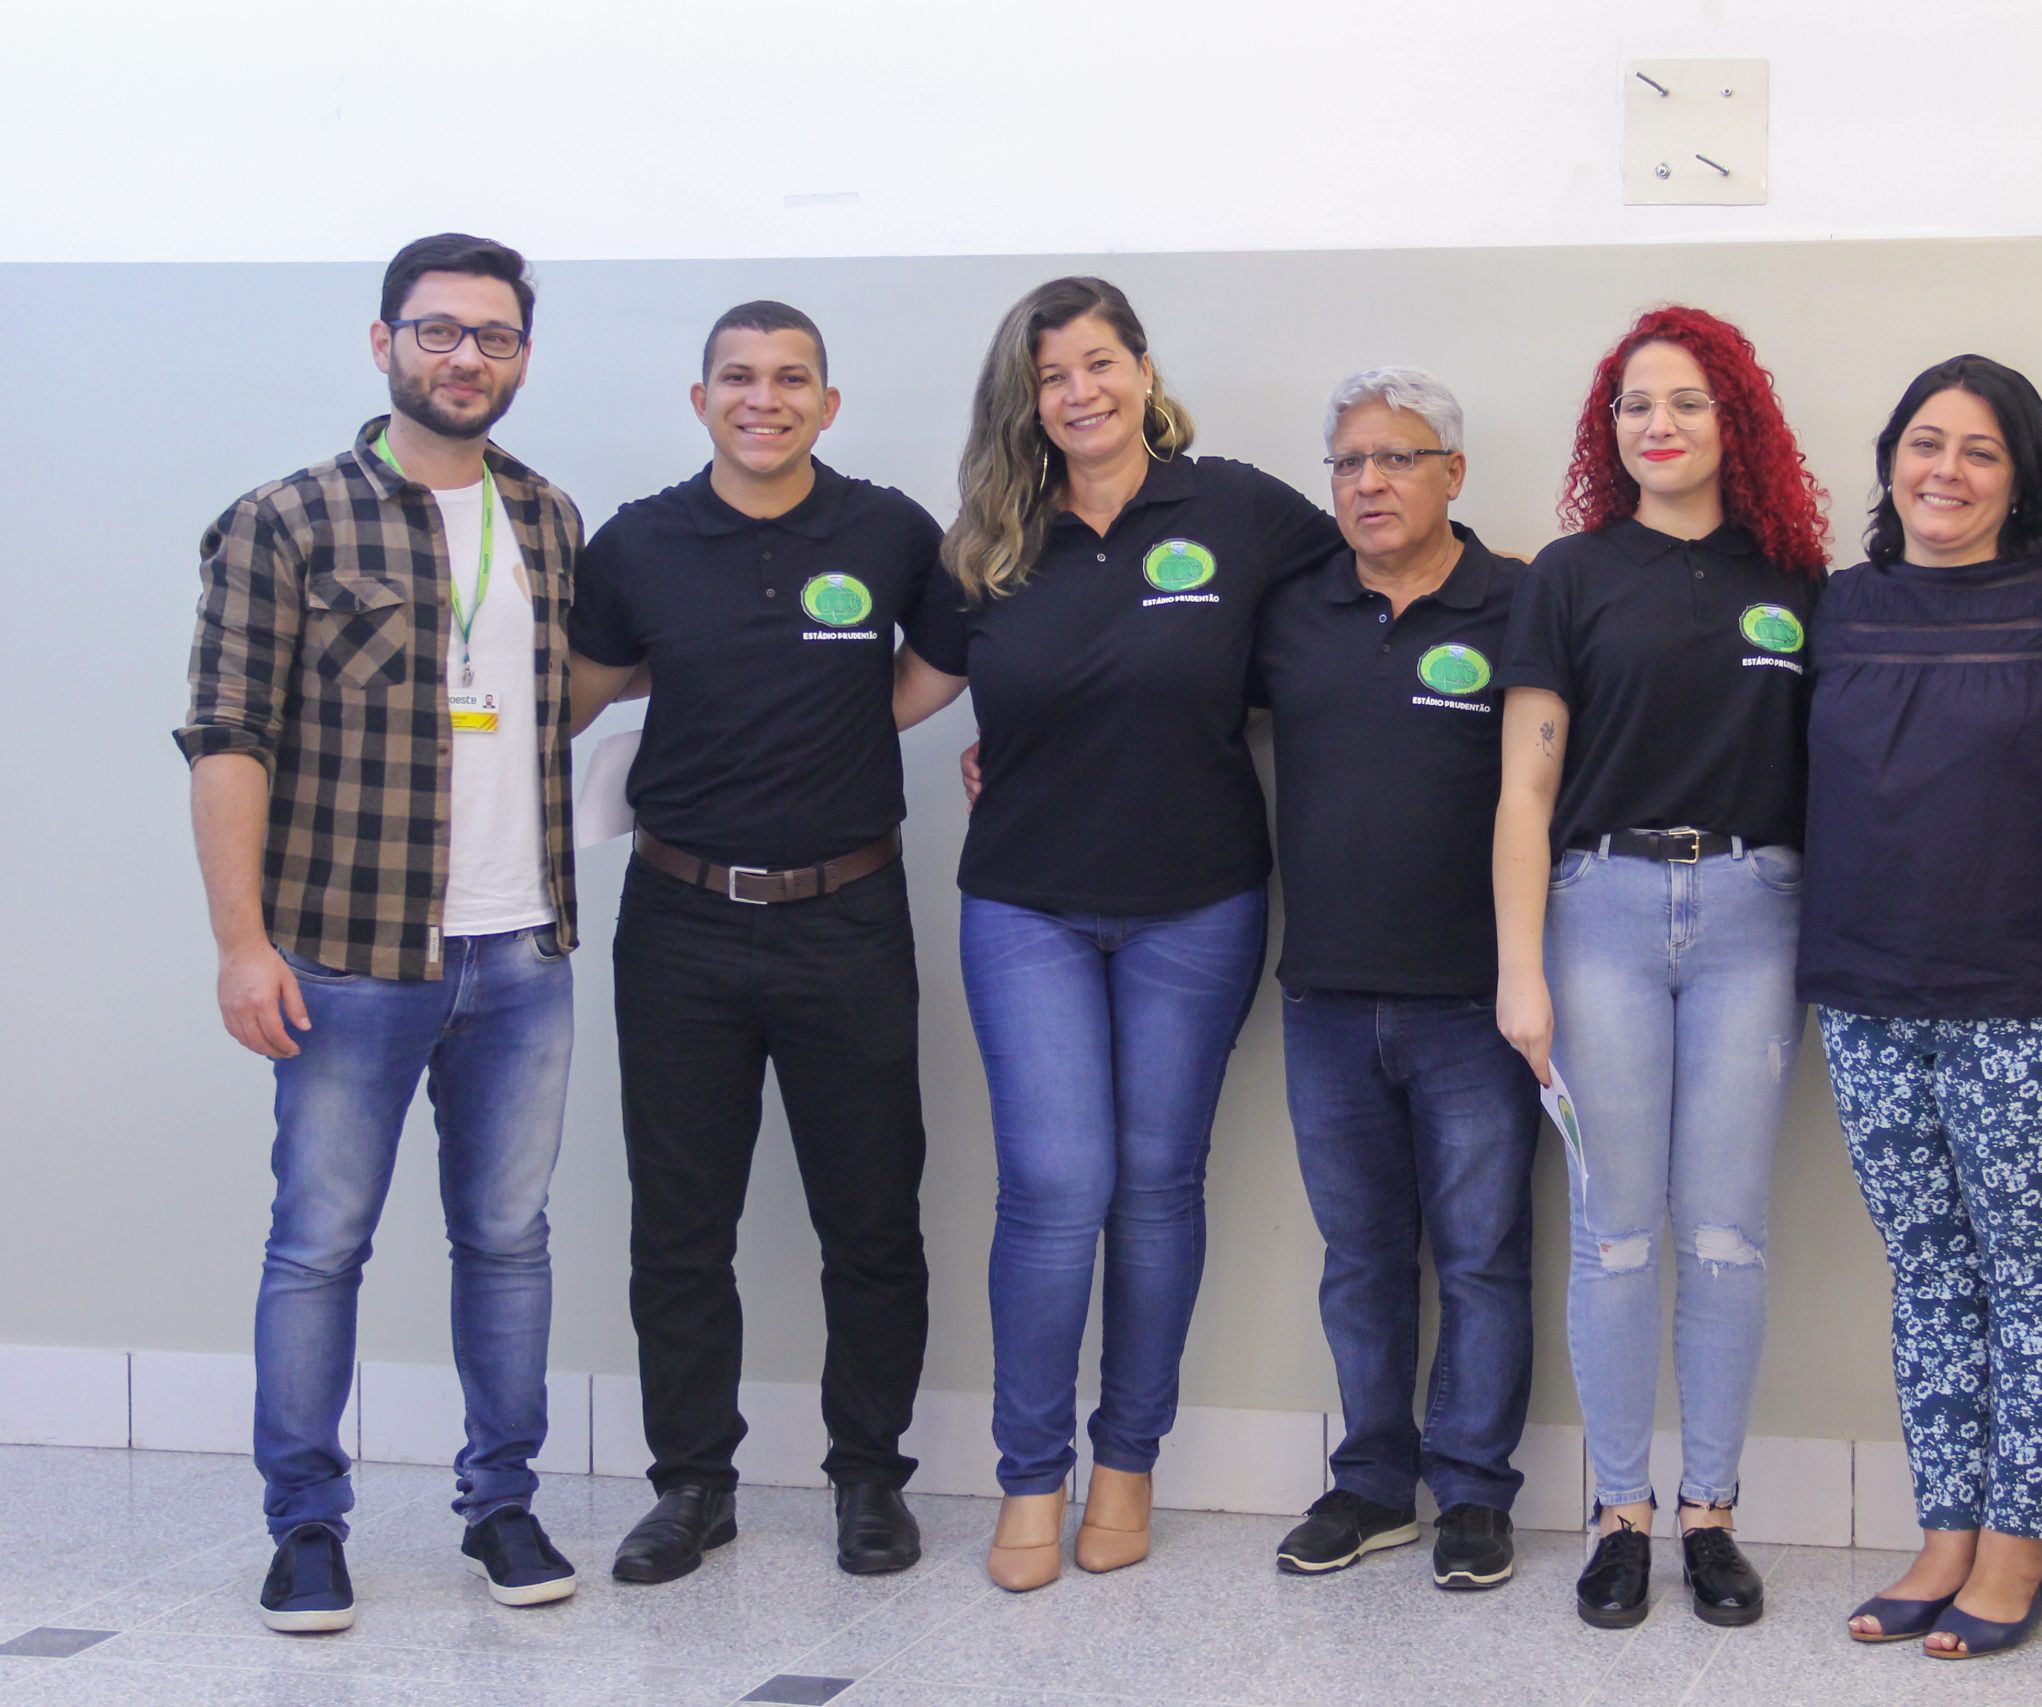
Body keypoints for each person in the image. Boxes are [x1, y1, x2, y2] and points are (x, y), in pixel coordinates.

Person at [897, 276, 1339, 1593]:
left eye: (1098, 363)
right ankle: (1030, 1476)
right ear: (1025, 400)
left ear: (1143, 369)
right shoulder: (990, 538)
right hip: (1024, 901)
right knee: (1052, 1189)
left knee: (1155, 1186)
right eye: (1051, 376)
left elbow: (1367, 604)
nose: (1078, 392)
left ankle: (1129, 1462)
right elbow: (904, 691)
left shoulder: (1240, 510)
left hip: (1196, 903)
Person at [179, 233, 583, 1632]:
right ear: (383, 343)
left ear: (522, 357)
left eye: (495, 336)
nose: (466, 357)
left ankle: (503, 1503)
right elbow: (227, 739)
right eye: (439, 330)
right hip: (346, 954)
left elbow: (562, 700)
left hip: (523, 953)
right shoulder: (284, 520)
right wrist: (243, 944)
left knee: (510, 1241)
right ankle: (305, 1525)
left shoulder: (548, 518)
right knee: (318, 1246)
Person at [566, 302, 955, 1586]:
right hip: (677, 924)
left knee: (872, 1219)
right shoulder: (638, 543)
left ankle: (868, 1478)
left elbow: (939, 665)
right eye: (739, 377)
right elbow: (572, 694)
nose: (764, 399)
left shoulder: (890, 531)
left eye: (792, 379)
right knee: (680, 1228)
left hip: (848, 916)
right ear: (701, 401)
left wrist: (838, 730)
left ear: (827, 406)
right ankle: (692, 1486)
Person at [1491, 305, 1828, 1630]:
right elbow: (1526, 788)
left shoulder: (1797, 583)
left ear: (1733, 420)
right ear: (1609, 426)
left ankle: (1712, 1514)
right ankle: (1621, 1514)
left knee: (1727, 1234)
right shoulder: (1569, 576)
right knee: (1617, 1233)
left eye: (1687, 400)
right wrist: (1521, 967)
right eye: (1635, 403)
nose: (1660, 423)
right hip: (1600, 917)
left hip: (1757, 916)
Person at [1800, 356, 2042, 1659]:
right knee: (1927, 1275)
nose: (1946, 470)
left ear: (2021, 477)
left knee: (2034, 1279)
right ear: (1890, 460)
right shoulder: (1837, 605)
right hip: (1866, 995)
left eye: (1981, 450)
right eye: (1925, 442)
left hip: (2028, 1001)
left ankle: (2017, 1546)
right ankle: (1945, 1532)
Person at [1250, 369, 1540, 1591]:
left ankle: (1471, 1491)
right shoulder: (1290, 609)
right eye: (1347, 463)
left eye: (1397, 459)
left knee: (1480, 1257)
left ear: (1452, 475)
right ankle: (1372, 1483)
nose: (1368, 483)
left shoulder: (1520, 602)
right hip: (1323, 997)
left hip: (1476, 1002)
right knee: (1360, 1259)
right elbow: (1158, 711)